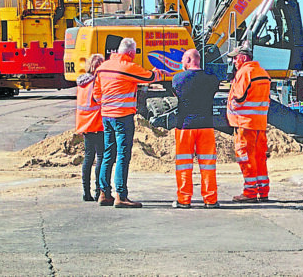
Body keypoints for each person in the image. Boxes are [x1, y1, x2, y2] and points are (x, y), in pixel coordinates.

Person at [94, 37, 163, 208]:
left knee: (108, 153)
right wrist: (161, 71)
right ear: (131, 53)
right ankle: (121, 195)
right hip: (122, 117)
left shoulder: (103, 67)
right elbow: (150, 77)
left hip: (106, 116)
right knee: (123, 155)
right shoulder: (128, 67)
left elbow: (96, 95)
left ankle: (104, 193)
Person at [171, 48, 221, 209]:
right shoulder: (212, 79)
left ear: (187, 61)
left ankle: (184, 199)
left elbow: (176, 94)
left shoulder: (178, 79)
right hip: (206, 126)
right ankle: (210, 199)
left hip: (184, 127)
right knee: (208, 165)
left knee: (184, 165)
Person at [226, 42, 271, 202]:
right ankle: (263, 190)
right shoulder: (263, 73)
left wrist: (231, 107)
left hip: (244, 124)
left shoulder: (244, 73)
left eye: (235, 58)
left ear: (243, 58)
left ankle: (250, 192)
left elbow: (239, 98)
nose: (233, 62)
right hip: (260, 123)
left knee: (245, 157)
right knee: (259, 157)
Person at [75, 53, 105, 202]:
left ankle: (86, 192)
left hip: (85, 125)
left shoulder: (82, 83)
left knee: (88, 158)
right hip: (97, 124)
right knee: (101, 157)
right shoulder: (96, 82)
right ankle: (98, 190)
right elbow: (101, 100)